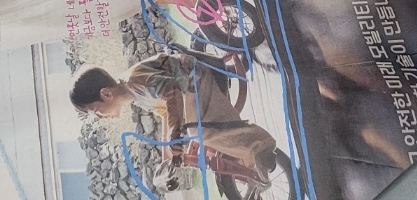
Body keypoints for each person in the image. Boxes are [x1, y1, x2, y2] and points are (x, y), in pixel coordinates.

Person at [70, 54, 280, 182]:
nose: (101, 116)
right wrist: (166, 157)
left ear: (106, 94)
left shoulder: (136, 81)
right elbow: (165, 112)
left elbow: (172, 94)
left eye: (96, 111)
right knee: (196, 140)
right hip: (188, 89)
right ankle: (249, 165)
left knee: (200, 131)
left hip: (194, 78)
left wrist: (175, 132)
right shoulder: (135, 95)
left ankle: (260, 148)